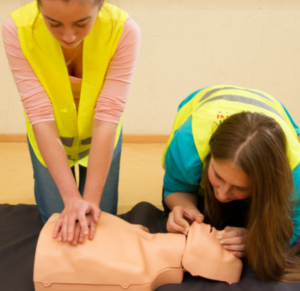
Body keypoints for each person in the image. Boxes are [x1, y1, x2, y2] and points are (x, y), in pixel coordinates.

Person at [2, 0, 140, 244]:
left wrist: (89, 203)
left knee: (98, 226)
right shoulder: (17, 28)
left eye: (82, 23)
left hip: (101, 134)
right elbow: (39, 114)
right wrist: (71, 199)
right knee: (58, 224)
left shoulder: (124, 30)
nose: (68, 36)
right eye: (53, 23)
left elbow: (107, 116)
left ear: (100, 5)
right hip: (50, 136)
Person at [162, 85, 300, 282]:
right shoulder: (187, 145)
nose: (222, 195)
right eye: (218, 176)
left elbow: (294, 225)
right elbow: (176, 187)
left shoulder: (294, 175)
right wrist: (183, 206)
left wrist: (256, 240)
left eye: (240, 187)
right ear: (208, 156)